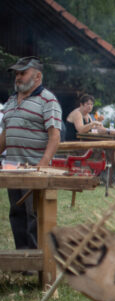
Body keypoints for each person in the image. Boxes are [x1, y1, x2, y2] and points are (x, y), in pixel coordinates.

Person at [0, 56, 62, 250]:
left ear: (37, 76)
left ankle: (37, 262)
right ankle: (23, 259)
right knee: (16, 213)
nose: (18, 77)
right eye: (16, 73)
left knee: (34, 215)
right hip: (12, 167)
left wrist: (43, 164)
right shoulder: (11, 100)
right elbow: (5, 134)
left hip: (34, 168)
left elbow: (54, 137)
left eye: (22, 73)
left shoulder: (48, 100)